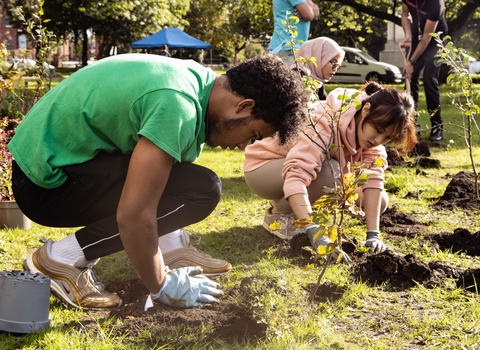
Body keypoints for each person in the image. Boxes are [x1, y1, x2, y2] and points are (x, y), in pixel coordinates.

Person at [9, 54, 309, 310]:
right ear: (244, 106)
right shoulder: (177, 105)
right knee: (201, 190)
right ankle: (61, 258)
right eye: (253, 135)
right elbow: (134, 215)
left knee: (194, 183)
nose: (245, 145)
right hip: (46, 186)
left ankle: (169, 246)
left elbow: (160, 177)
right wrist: (160, 285)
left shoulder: (197, 81)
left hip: (59, 165)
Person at [243, 82, 417, 261]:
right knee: (331, 172)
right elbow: (296, 175)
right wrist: (313, 231)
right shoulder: (325, 119)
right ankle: (279, 216)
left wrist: (373, 234)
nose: (379, 140)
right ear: (366, 109)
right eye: (378, 130)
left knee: (379, 201)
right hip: (264, 168)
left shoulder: (374, 141)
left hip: (301, 175)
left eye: (388, 137)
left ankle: (296, 208)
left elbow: (373, 181)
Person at [400, 0, 448, 142]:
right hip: (417, 36)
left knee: (429, 80)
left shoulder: (436, 3)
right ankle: (411, 124)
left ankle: (437, 126)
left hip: (436, 40)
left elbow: (427, 37)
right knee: (411, 78)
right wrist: (408, 34)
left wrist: (411, 61)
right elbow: (404, 14)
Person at [268, 0, 320, 65]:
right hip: (287, 49)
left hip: (290, 48)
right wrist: (308, 8)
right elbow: (308, 15)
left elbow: (316, 10)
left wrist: (309, 8)